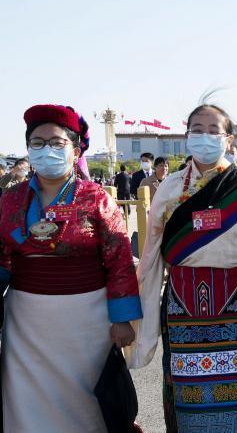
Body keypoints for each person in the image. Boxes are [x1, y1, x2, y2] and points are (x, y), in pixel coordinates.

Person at [128, 103, 237, 432]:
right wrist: (138, 315)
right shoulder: (169, 190)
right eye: (197, 130)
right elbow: (151, 256)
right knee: (186, 394)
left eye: (213, 131)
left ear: (229, 140)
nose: (204, 136)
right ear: (186, 136)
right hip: (182, 308)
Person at [0, 104, 141, 431]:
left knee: (86, 402)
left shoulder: (96, 198)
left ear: (75, 151)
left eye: (56, 142)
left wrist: (122, 318)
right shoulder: (11, 199)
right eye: (37, 143)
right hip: (26, 320)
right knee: (26, 400)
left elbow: (119, 258)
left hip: (87, 317)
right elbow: (2, 255)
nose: (46, 149)